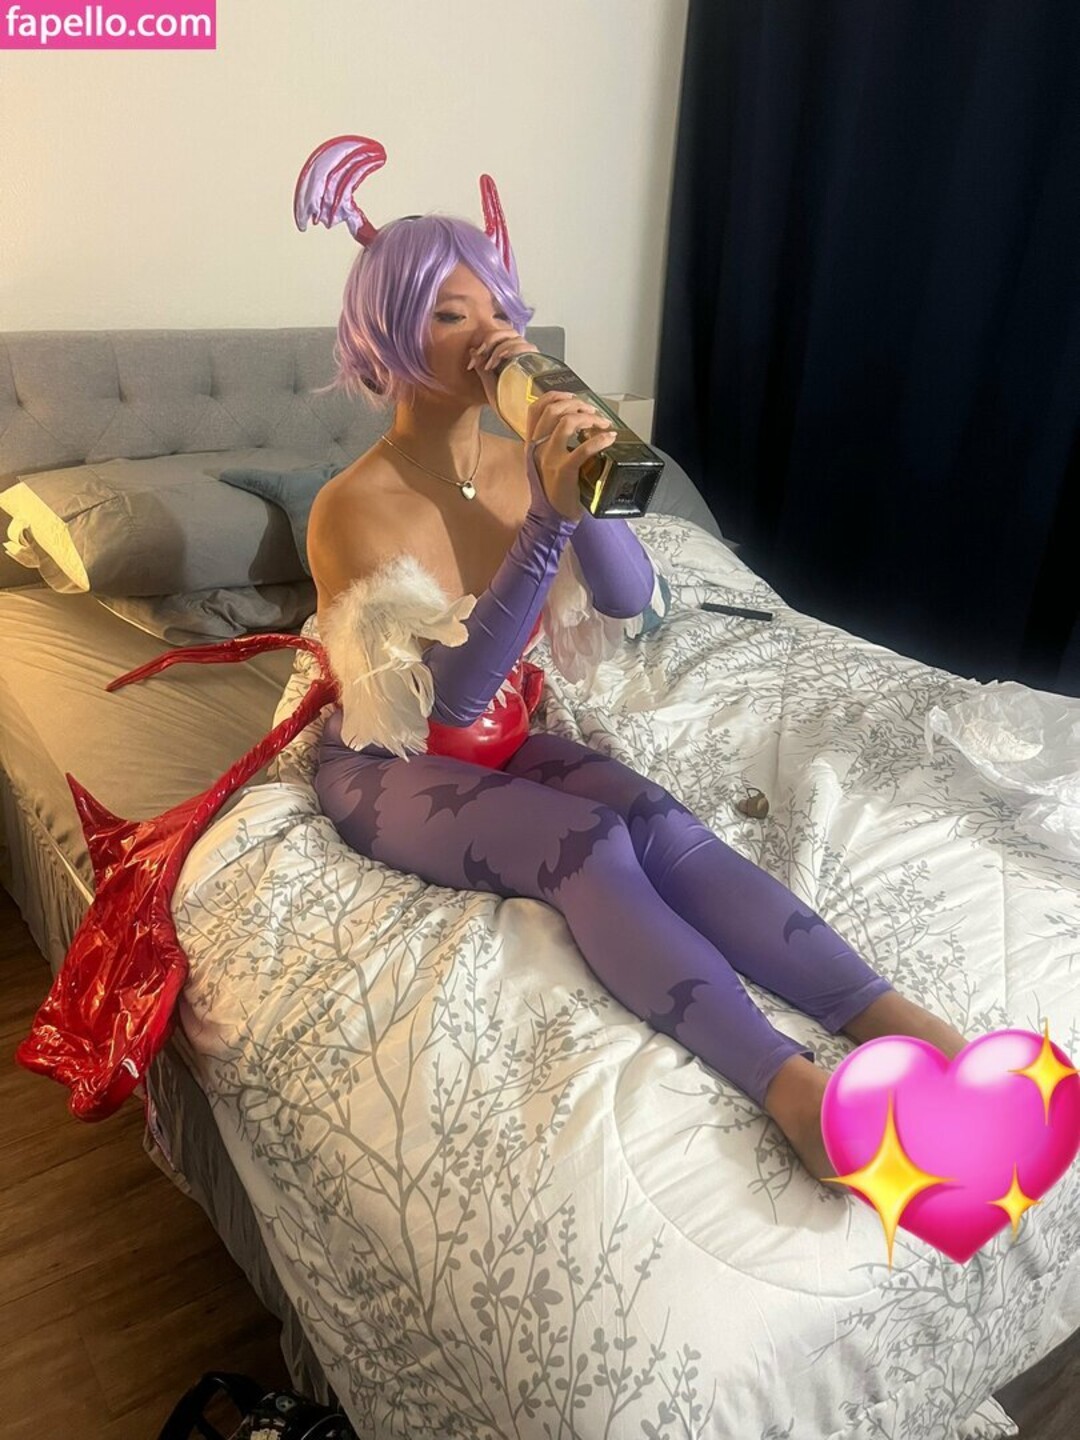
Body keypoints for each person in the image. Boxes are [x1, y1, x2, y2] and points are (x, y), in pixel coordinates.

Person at [303, 202, 970, 1185]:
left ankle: (885, 1013)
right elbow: (445, 705)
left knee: (655, 817)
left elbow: (627, 597)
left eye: (500, 312)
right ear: (388, 333)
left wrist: (579, 486)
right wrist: (543, 527)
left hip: (506, 736)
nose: (491, 336)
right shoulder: (349, 508)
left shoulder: (516, 461)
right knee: (589, 843)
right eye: (452, 314)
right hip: (388, 764)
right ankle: (792, 1091)